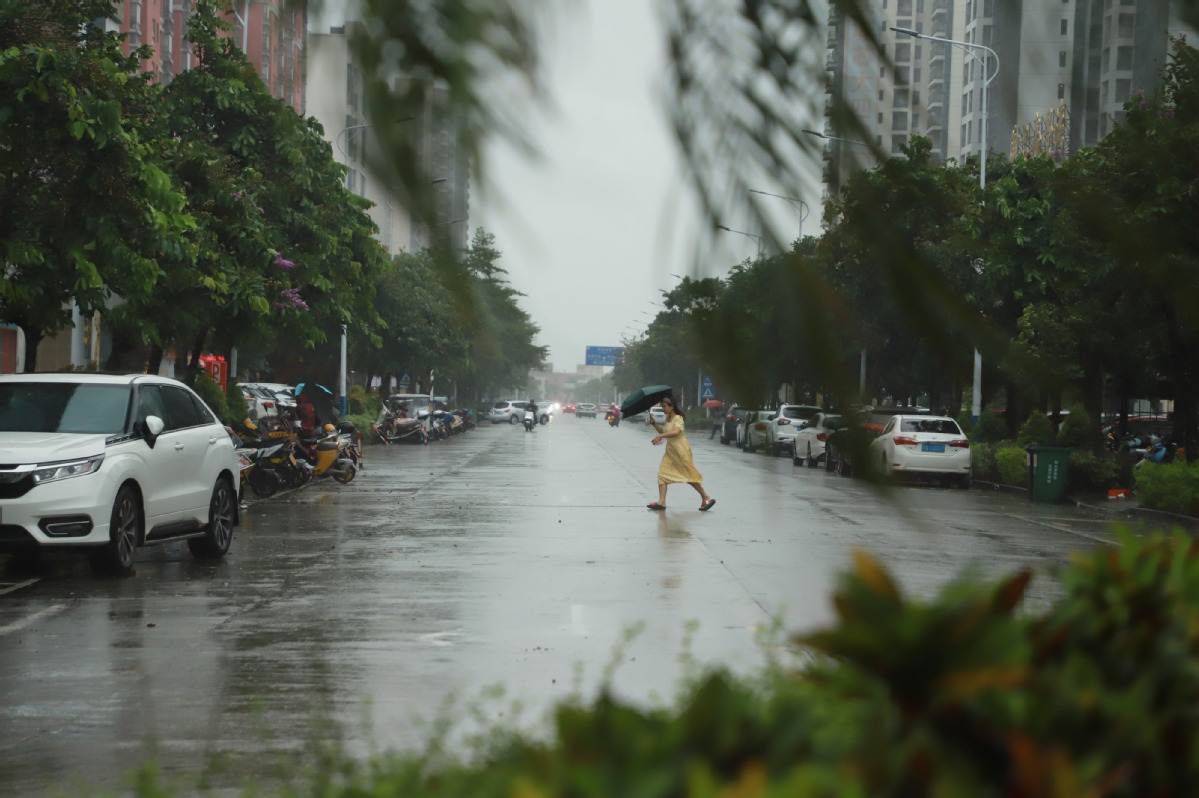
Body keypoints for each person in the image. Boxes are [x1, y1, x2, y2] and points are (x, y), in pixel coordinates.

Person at [647, 396, 715, 511]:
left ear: (671, 406)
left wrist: (660, 436)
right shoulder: (668, 419)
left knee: (688, 476)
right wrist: (654, 424)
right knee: (662, 475)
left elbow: (676, 432)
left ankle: (705, 496)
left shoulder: (678, 418)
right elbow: (665, 432)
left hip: (681, 450)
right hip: (670, 452)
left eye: (664, 406)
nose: (663, 409)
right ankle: (661, 502)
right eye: (662, 407)